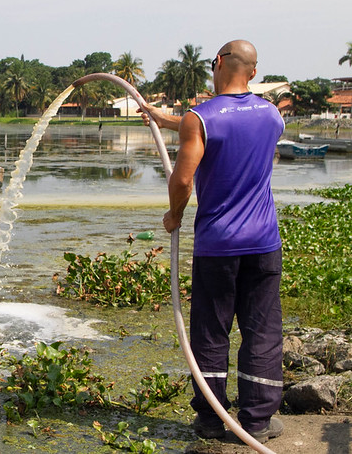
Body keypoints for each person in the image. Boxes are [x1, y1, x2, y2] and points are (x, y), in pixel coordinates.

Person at [143, 40, 285, 443]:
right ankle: (257, 422)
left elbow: (184, 177)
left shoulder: (200, 117)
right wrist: (163, 118)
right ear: (254, 72)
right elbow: (225, 126)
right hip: (263, 243)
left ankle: (210, 419)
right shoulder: (272, 115)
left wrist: (175, 216)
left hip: (218, 245)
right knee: (261, 330)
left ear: (218, 63)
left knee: (211, 332)